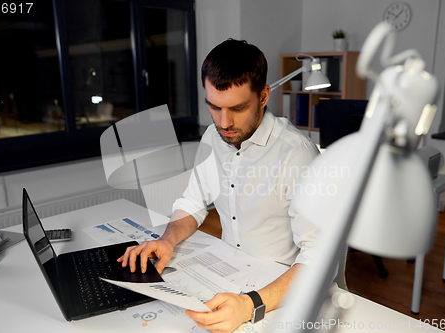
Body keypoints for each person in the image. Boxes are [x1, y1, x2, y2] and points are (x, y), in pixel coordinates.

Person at [118, 39, 320, 332]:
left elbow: (318, 258)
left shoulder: (297, 155)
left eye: (237, 108)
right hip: (229, 278)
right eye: (214, 107)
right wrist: (167, 240)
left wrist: (252, 304)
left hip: (279, 294)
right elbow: (192, 203)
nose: (224, 122)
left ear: (264, 96)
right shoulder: (214, 139)